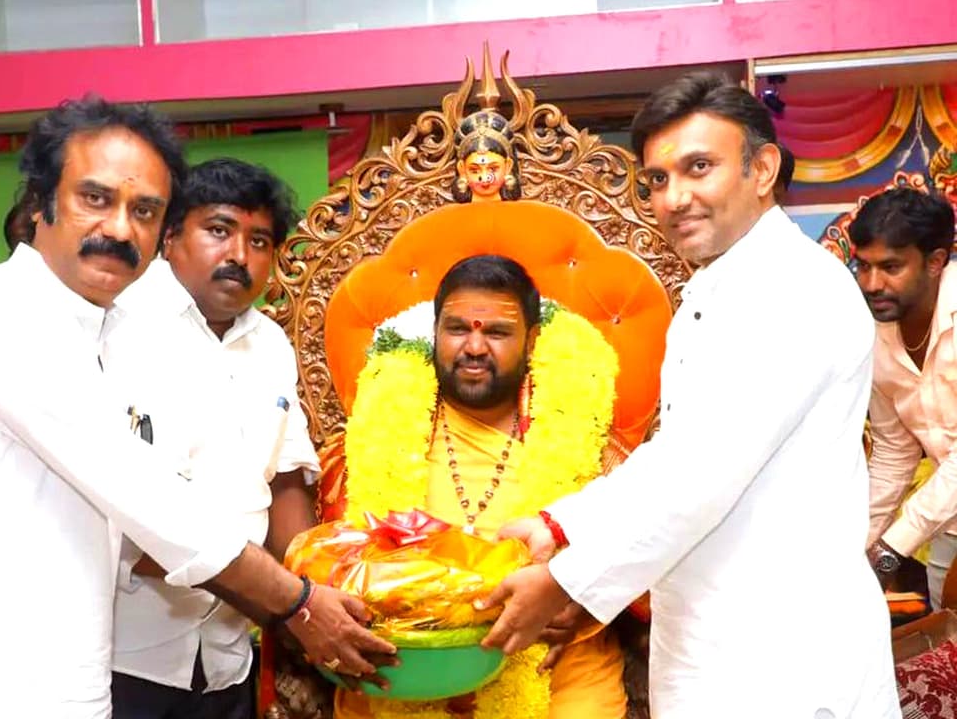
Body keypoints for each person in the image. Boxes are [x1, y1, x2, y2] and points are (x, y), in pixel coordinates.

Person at [0, 98, 393, 718]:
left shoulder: (102, 326)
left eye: (142, 210)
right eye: (94, 198)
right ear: (40, 203)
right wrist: (297, 605)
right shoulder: (3, 315)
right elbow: (151, 499)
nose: (119, 230)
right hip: (3, 674)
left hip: (89, 662)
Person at [477, 72, 899, 718]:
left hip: (784, 654)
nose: (674, 198)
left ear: (762, 169)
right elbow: (676, 453)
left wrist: (565, 582)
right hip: (717, 638)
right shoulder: (720, 286)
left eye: (699, 167)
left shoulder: (794, 290)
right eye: (657, 179)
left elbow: (702, 471)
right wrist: (562, 524)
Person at [327, 254, 630, 719]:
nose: (473, 347)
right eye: (456, 329)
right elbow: (332, 559)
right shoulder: (377, 433)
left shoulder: (586, 439)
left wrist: (582, 601)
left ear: (532, 340)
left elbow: (643, 550)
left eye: (496, 332)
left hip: (553, 661)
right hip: (410, 662)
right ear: (434, 334)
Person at [100, 157, 320, 719]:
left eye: (259, 240)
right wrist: (286, 600)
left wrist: (312, 598)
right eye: (219, 230)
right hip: (126, 656)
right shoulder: (114, 326)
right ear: (170, 236)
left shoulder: (271, 344)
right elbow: (133, 521)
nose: (239, 255)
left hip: (228, 657)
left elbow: (287, 481)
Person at [850, 187, 957, 603]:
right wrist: (855, 550)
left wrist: (892, 549)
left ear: (934, 262)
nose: (872, 284)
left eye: (890, 267)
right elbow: (894, 452)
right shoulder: (875, 334)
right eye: (864, 266)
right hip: (948, 530)